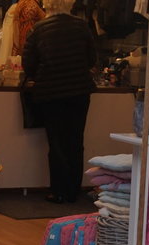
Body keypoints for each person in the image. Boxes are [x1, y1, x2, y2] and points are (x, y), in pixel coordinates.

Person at [22, 0, 96, 204]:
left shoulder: (39, 29)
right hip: (79, 92)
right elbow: (92, 59)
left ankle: (59, 191)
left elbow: (28, 63)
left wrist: (39, 75)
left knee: (57, 143)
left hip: (51, 92)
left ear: (48, 5)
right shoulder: (82, 26)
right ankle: (73, 190)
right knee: (76, 141)